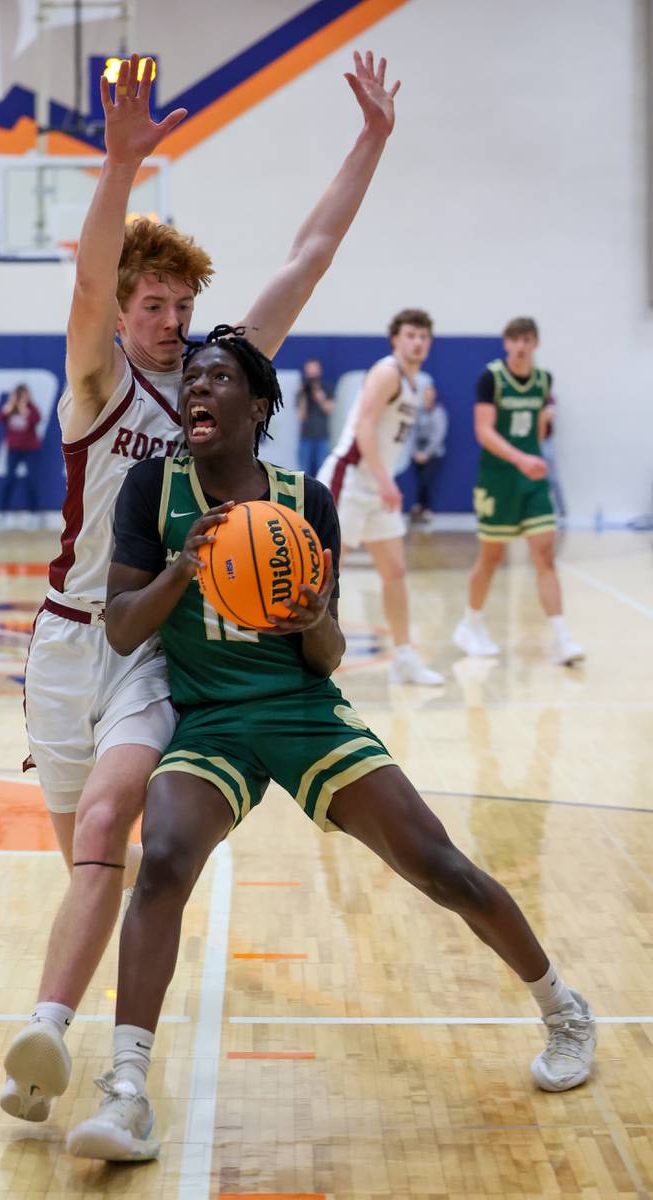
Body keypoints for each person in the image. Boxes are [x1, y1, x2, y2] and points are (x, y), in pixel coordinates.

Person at [64, 329, 596, 1162]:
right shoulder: (149, 488)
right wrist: (183, 566)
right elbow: (126, 630)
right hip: (210, 722)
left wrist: (314, 619)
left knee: (440, 865)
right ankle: (126, 1089)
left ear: (259, 404)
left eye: (218, 378)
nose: (198, 389)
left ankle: (564, 1008)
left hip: (303, 707)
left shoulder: (303, 498)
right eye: (192, 378)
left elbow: (330, 652)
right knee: (162, 856)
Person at [1, 49, 403, 1123]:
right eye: (155, 304)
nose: (172, 322)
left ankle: (53, 1033)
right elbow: (88, 279)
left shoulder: (211, 380)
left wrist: (369, 140)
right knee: (87, 864)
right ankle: (55, 1051)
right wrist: (118, 165)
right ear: (125, 308)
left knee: (108, 817)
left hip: (142, 639)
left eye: (183, 304)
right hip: (61, 638)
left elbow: (306, 259)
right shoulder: (97, 374)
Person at [318, 309, 443, 685]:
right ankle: (291, 655)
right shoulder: (387, 372)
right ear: (395, 339)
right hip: (352, 481)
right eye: (410, 334)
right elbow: (364, 425)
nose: (417, 342)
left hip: (377, 485)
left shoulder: (414, 382)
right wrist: (385, 479)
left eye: (423, 336)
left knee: (396, 572)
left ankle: (404, 657)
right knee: (321, 572)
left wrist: (384, 482)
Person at [452, 317, 583, 665]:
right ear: (506, 343)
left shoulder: (544, 380)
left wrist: (532, 461)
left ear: (536, 344)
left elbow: (538, 429)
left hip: (532, 479)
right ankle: (470, 622)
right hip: (498, 479)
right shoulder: (490, 378)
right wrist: (520, 458)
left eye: (528, 339)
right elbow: (484, 431)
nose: (522, 345)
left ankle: (561, 637)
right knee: (491, 557)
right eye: (516, 339)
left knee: (545, 555)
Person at [0, 384, 42, 524]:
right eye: (19, 395)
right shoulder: (10, 409)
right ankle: (3, 515)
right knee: (9, 480)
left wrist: (23, 408)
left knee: (32, 481)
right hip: (13, 450)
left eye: (24, 395)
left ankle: (33, 515)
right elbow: (0, 418)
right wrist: (10, 404)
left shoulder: (32, 409)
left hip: (30, 450)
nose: (22, 398)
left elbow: (35, 420)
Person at [410, 374, 447, 522]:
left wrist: (426, 453)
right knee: (419, 481)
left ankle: (426, 509)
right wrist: (415, 452)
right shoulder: (417, 412)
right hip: (417, 452)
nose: (427, 396)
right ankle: (419, 507)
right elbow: (411, 433)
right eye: (425, 394)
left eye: (430, 394)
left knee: (427, 481)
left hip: (433, 454)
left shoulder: (438, 412)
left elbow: (438, 436)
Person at [296, 357, 333, 476]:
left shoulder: (326, 388)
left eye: (314, 373)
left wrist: (319, 396)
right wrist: (303, 397)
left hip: (322, 436)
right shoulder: (302, 391)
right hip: (306, 437)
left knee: (323, 471)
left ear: (319, 372)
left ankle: (320, 494)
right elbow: (301, 416)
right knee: (303, 472)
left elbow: (329, 410)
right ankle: (305, 494)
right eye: (309, 373)